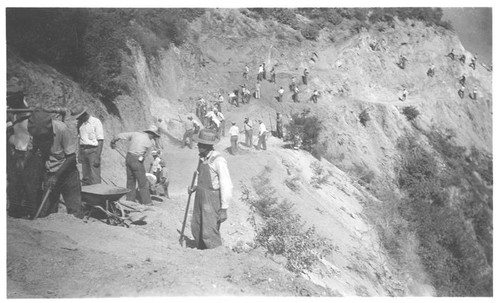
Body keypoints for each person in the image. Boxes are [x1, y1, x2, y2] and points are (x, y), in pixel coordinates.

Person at [27, 111, 84, 218]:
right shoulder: (35, 133)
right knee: (47, 214)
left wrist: (56, 176)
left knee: (75, 212)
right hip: (50, 174)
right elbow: (33, 153)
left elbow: (71, 158)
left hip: (68, 174)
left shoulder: (61, 129)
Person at [189, 128, 233, 249]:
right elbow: (199, 175)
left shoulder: (218, 160)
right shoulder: (202, 157)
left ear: (208, 146)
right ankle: (200, 251)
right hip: (200, 195)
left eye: (201, 144)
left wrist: (224, 208)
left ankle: (215, 253)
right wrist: (195, 187)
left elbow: (226, 185)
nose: (198, 145)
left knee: (209, 229)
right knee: (197, 225)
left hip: (212, 198)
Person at [110, 125, 161, 205]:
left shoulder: (135, 134)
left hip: (129, 157)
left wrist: (113, 142)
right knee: (143, 182)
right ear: (152, 134)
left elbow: (119, 136)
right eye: (154, 136)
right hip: (137, 160)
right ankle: (147, 202)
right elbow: (144, 156)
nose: (154, 137)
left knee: (130, 180)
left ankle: (130, 199)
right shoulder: (149, 143)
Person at [71, 105, 104, 185]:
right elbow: (80, 139)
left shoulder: (95, 122)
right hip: (83, 150)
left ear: (83, 114)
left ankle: (97, 195)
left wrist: (97, 157)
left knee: (95, 177)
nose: (77, 119)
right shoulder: (80, 124)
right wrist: (79, 154)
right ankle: (86, 196)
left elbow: (100, 140)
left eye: (78, 117)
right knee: (85, 177)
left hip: (93, 151)